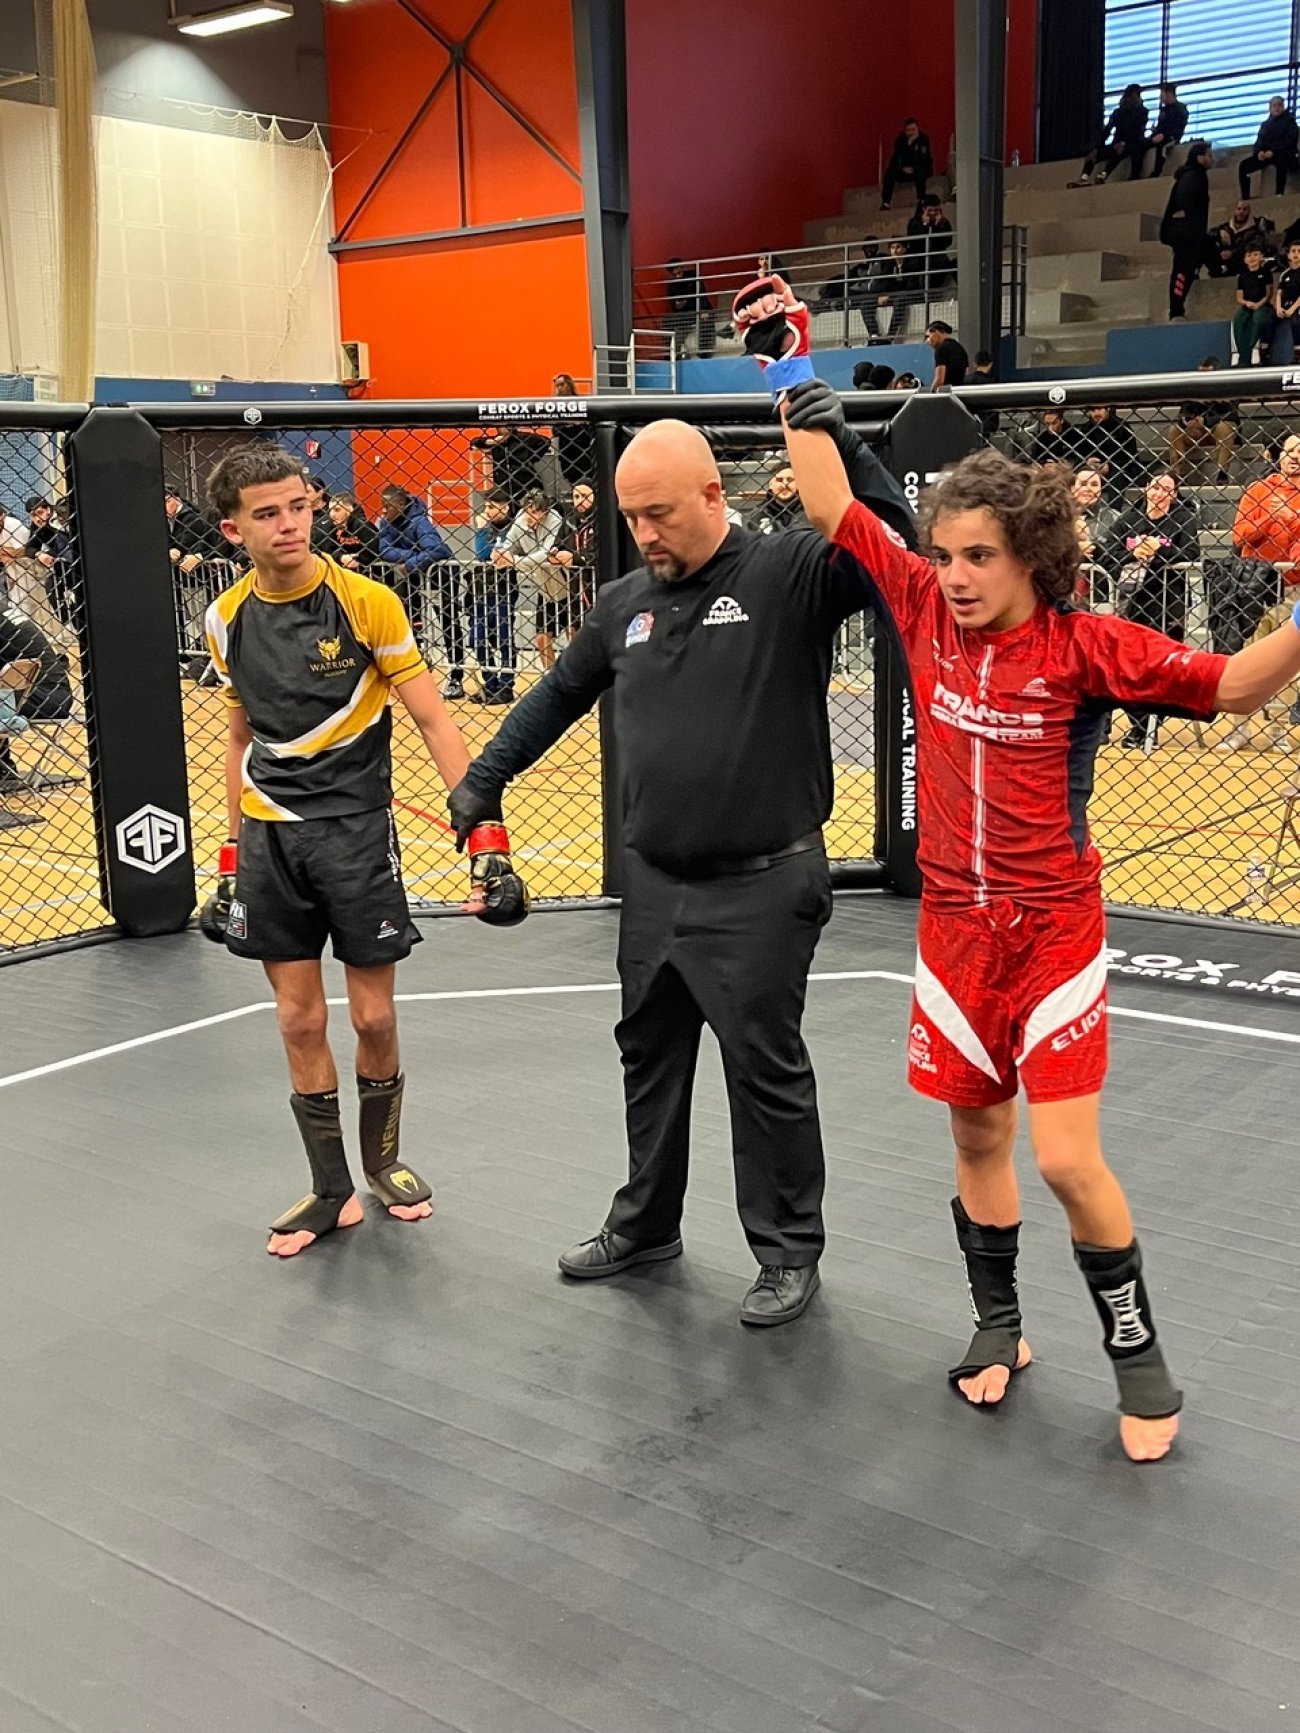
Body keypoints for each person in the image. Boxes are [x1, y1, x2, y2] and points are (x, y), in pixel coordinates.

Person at [781, 374, 1300, 1461]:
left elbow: (1238, 685)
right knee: (976, 1134)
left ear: (1032, 557)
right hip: (952, 935)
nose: (957, 576)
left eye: (980, 556)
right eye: (946, 554)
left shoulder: (1085, 646)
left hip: (1053, 932)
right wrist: (789, 375)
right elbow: (831, 503)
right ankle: (998, 1323)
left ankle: (1137, 1357)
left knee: (1065, 1157)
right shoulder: (920, 607)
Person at [446, 383, 899, 1326]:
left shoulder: (788, 570)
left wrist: (845, 444)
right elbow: (554, 697)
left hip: (764, 882)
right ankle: (647, 1223)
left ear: (711, 493)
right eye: (630, 517)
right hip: (653, 885)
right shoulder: (623, 604)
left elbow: (891, 551)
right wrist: (483, 781)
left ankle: (787, 1250)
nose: (644, 532)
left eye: (658, 512)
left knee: (763, 1071)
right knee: (649, 1058)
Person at [198, 444, 528, 1258]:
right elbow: (238, 737)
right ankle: (331, 1188)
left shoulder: (367, 602)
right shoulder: (224, 618)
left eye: (299, 506)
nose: (289, 524)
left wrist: (486, 838)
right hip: (271, 837)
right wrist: (230, 858)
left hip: (356, 832)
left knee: (375, 1015)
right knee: (298, 1019)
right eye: (267, 513)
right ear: (234, 529)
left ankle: (383, 1163)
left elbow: (434, 719)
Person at [1105, 470, 1201, 746]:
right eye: (1156, 487)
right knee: (1128, 664)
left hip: (1168, 601)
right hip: (1132, 601)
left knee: (1162, 665)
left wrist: (1158, 552)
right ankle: (1140, 723)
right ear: (1147, 488)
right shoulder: (1130, 518)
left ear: (1175, 495)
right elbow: (1108, 548)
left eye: (1167, 490)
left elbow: (1191, 553)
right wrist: (1133, 553)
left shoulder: (1183, 519)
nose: (1160, 494)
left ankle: (1149, 726)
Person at [377, 484, 465, 699]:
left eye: (388, 506)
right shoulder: (385, 523)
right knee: (410, 620)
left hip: (441, 576)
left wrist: (409, 563)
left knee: (448, 622)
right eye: (382, 505)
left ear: (401, 504)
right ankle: (419, 671)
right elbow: (384, 550)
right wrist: (415, 555)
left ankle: (456, 675)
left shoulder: (420, 521)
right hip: (415, 577)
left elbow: (438, 550)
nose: (383, 510)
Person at [493, 487, 567, 671]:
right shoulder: (520, 520)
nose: (529, 516)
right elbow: (508, 545)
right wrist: (501, 554)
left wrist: (515, 561)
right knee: (541, 638)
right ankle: (551, 678)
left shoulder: (555, 521)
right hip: (545, 589)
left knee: (575, 635)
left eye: (534, 512)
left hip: (567, 585)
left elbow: (547, 554)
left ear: (545, 512)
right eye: (527, 510)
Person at [0, 604, 72, 790]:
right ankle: (4, 766)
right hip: (56, 694)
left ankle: (3, 767)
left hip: (43, 695)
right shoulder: (3, 610)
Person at [467, 487, 518, 706]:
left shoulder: (513, 529)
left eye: (491, 506)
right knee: (477, 638)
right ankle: (490, 683)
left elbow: (485, 554)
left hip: (503, 590)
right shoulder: (488, 528)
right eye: (485, 506)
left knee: (504, 638)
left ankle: (506, 686)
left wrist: (481, 530)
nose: (486, 511)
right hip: (480, 590)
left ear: (504, 507)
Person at [541, 481, 596, 663]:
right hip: (574, 587)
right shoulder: (570, 521)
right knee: (576, 631)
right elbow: (558, 544)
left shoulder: (602, 521)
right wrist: (555, 554)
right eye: (576, 496)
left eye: (585, 496)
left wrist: (575, 558)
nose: (580, 501)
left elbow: (600, 554)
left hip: (595, 585)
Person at [1233, 431, 1300, 574]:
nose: (1294, 456)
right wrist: (1270, 517)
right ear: (1280, 456)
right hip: (1258, 578)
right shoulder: (1258, 489)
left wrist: (1290, 518)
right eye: (1289, 451)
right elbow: (1239, 537)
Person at [1161, 139, 1212, 319]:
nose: (1211, 159)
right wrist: (1189, 218)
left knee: (1192, 264)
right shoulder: (1193, 176)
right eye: (1208, 155)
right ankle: (1176, 309)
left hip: (1191, 233)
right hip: (1186, 234)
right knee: (1182, 271)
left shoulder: (1195, 175)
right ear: (1199, 157)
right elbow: (1185, 200)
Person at [1169, 357, 1240, 479]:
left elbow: (1232, 416)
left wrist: (1206, 421)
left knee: (1224, 428)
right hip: (1197, 431)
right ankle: (1177, 474)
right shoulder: (1193, 389)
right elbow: (1183, 413)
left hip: (1217, 430)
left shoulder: (1228, 389)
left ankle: (1222, 473)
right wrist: (1188, 421)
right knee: (1174, 430)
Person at [1071, 84, 1148, 186]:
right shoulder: (1118, 112)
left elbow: (1137, 131)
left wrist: (1124, 143)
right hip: (1117, 143)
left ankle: (1103, 176)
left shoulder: (1142, 112)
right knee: (1094, 155)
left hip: (1132, 143)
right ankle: (1084, 178)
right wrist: (1097, 148)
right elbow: (1107, 130)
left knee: (1116, 155)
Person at [1072, 404, 1141, 495]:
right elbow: (1077, 458)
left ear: (1108, 409)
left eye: (1099, 409)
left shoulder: (1122, 428)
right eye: (1092, 410)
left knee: (1117, 477)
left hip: (1118, 470)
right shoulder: (1085, 429)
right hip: (1091, 470)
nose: (1096, 413)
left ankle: (1114, 505)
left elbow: (1132, 460)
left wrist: (1110, 467)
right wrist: (1087, 463)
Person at [1240, 96, 1298, 198]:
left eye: (1279, 105)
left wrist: (1274, 151)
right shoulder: (1265, 125)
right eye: (1274, 105)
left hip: (1284, 154)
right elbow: (1259, 141)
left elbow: (1290, 142)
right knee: (1244, 166)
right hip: (1266, 155)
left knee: (1282, 162)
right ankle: (1245, 197)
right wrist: (1259, 152)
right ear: (1270, 108)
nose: (1277, 108)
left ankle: (1279, 193)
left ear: (1283, 107)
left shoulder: (1290, 123)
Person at [866, 239, 921, 340]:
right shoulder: (889, 264)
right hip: (892, 295)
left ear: (904, 249)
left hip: (908, 295)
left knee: (900, 301)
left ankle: (891, 335)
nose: (895, 251)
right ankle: (874, 334)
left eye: (898, 247)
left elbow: (910, 286)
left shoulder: (912, 263)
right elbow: (884, 282)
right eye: (892, 248)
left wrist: (890, 295)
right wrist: (881, 295)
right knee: (866, 303)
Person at [1234, 240, 1277, 365]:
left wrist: (1258, 304)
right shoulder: (1242, 276)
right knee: (1238, 320)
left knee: (1258, 319)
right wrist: (1246, 303)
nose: (1252, 258)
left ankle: (1254, 348)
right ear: (1245, 259)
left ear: (1261, 257)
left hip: (1263, 305)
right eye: (1249, 255)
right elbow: (1239, 296)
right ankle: (1242, 355)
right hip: (1247, 306)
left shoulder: (1266, 273)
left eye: (1255, 254)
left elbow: (1268, 294)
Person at [1208, 199, 1275, 278]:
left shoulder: (1256, 227)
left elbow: (1255, 245)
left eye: (1244, 209)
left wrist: (1232, 253)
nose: (1241, 212)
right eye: (1239, 209)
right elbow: (1211, 236)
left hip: (1243, 261)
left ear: (1249, 211)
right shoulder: (1225, 227)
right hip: (1225, 260)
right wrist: (1220, 233)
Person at [906, 195, 957, 296]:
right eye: (930, 210)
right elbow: (915, 244)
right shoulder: (914, 223)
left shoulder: (943, 222)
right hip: (920, 262)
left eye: (936, 210)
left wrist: (937, 227)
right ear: (924, 209)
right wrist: (925, 226)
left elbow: (947, 242)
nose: (933, 213)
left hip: (938, 261)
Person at [552, 373, 595, 488]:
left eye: (562, 385)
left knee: (587, 479)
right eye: (557, 386)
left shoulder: (581, 403)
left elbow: (588, 425)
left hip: (583, 449)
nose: (559, 388)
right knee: (571, 478)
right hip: (567, 450)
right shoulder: (556, 406)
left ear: (569, 385)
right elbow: (555, 431)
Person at [1137, 82, 1188, 178]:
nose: (1161, 98)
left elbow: (1178, 127)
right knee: (1140, 144)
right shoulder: (1165, 110)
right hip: (1160, 135)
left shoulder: (1180, 109)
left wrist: (1165, 135)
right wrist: (1155, 132)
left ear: (1169, 94)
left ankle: (1157, 172)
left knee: (1161, 147)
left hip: (1171, 137)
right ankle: (1137, 172)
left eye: (1162, 95)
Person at [881, 117, 933, 209]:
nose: (911, 132)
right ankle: (885, 203)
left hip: (921, 169)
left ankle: (921, 199)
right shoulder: (900, 140)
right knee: (890, 172)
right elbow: (895, 158)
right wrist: (902, 168)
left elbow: (924, 158)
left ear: (917, 129)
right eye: (909, 130)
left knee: (920, 167)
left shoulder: (923, 139)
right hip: (905, 169)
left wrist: (912, 146)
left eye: (913, 129)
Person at [324, 492, 380, 572]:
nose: (332, 514)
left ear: (349, 510)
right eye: (330, 510)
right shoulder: (333, 526)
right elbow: (328, 549)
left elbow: (374, 551)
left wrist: (356, 559)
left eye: (337, 510)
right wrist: (341, 557)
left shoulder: (362, 525)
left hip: (371, 573)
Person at [748, 465, 805, 534]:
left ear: (798, 484)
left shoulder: (808, 512)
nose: (784, 485)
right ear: (770, 485)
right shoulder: (758, 514)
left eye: (790, 480)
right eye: (779, 480)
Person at [1274, 239, 1300, 359]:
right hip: (1286, 305)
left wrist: (1292, 309)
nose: (1296, 254)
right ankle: (1264, 351)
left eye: (1299, 251)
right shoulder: (1285, 274)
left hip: (1297, 305)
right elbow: (1279, 293)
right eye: (1293, 251)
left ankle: (1297, 352)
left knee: (1296, 319)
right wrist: (1278, 308)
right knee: (1267, 320)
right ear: (1288, 255)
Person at [926, 321, 968, 389]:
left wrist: (931, 392)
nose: (927, 341)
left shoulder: (941, 349)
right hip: (958, 391)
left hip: (945, 392)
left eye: (928, 336)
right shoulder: (961, 348)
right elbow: (966, 373)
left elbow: (940, 380)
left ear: (936, 332)